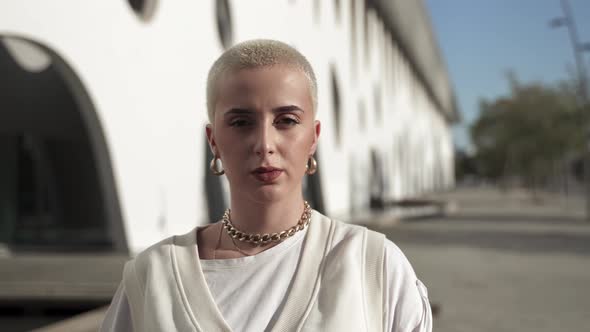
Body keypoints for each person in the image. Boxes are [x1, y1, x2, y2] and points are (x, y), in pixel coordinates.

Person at [100, 39, 432, 332]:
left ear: (314, 137)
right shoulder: (151, 280)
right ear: (213, 140)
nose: (264, 143)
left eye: (286, 121)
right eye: (241, 122)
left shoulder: (373, 267)